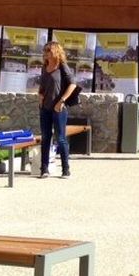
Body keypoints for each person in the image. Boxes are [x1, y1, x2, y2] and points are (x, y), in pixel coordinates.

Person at [38, 41, 77, 179]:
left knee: (61, 138)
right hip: (45, 108)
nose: (45, 53)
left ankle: (66, 170)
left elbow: (72, 84)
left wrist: (62, 101)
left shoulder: (62, 67)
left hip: (59, 108)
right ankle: (44, 169)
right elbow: (42, 85)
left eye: (48, 50)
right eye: (45, 50)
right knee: (45, 137)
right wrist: (40, 95)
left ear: (55, 52)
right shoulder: (44, 67)